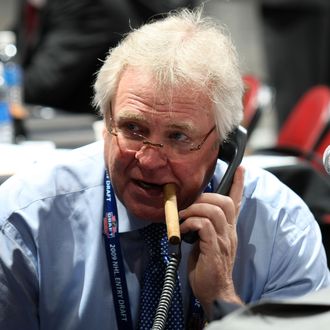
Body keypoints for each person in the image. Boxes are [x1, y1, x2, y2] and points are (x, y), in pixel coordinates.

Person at [0, 7, 329, 330]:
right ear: (107, 121)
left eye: (178, 136)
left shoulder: (282, 225)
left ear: (224, 145)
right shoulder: (24, 219)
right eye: (133, 129)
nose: (150, 160)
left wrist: (222, 301)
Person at [13, 0, 196, 114]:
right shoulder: (35, 3)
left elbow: (40, 87)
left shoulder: (87, 4)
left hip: (96, 128)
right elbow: (12, 43)